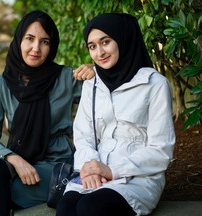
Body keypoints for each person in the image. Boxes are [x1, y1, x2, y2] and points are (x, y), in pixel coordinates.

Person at [0, 10, 95, 216]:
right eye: (30, 39)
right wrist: (14, 159)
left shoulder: (66, 78)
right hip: (20, 160)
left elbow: (104, 97)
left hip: (57, 166)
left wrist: (96, 71)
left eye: (45, 42)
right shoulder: (1, 85)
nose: (36, 48)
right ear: (19, 39)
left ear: (52, 46)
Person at [56, 13, 175, 216]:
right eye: (92, 46)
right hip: (95, 170)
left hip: (138, 177)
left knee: (90, 208)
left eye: (106, 42)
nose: (99, 52)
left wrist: (112, 171)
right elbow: (83, 135)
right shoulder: (92, 83)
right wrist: (90, 167)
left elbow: (161, 149)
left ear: (122, 40)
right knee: (66, 207)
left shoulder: (154, 84)